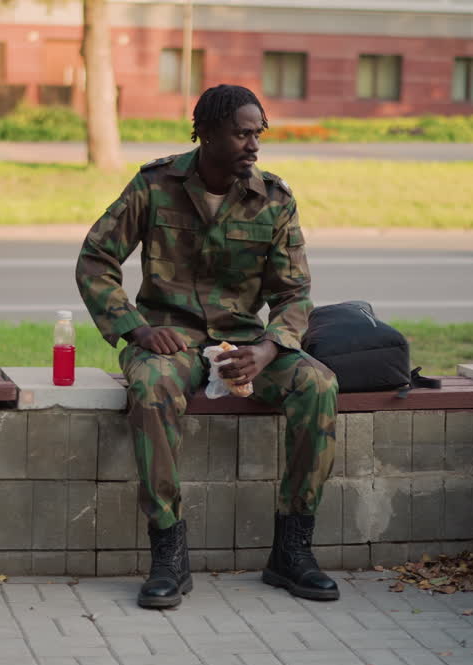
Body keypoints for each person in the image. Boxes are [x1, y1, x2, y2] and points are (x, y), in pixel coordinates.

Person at [75, 85, 339, 609]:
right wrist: (135, 329)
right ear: (208, 131)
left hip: (244, 343)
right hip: (167, 339)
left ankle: (292, 549)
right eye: (242, 133)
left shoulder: (274, 199)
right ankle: (169, 553)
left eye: (258, 133)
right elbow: (96, 259)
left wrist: (270, 348)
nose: (253, 145)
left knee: (318, 384)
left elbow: (294, 293)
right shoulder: (156, 184)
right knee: (150, 387)